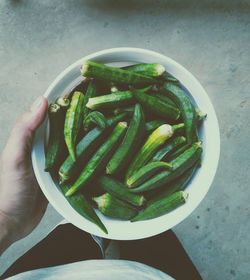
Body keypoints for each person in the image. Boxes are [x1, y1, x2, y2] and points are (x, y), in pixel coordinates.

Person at [0, 96, 202, 280]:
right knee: (149, 230)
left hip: (46, 269)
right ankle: (133, 221)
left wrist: (7, 218)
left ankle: (108, 226)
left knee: (83, 232)